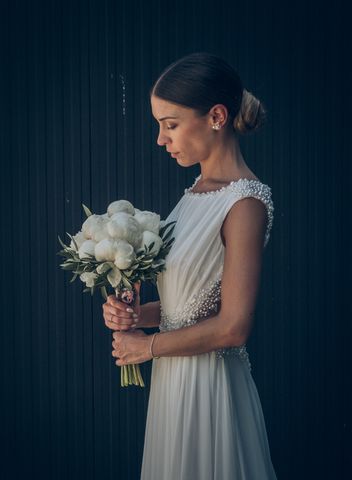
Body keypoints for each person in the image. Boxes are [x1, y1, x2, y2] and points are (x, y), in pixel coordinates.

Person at [102, 52, 277, 479]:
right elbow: (193, 304)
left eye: (170, 124)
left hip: (209, 388)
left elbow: (233, 325)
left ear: (216, 116)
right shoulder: (194, 192)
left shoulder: (245, 204)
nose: (161, 140)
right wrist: (135, 315)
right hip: (174, 382)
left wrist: (146, 347)